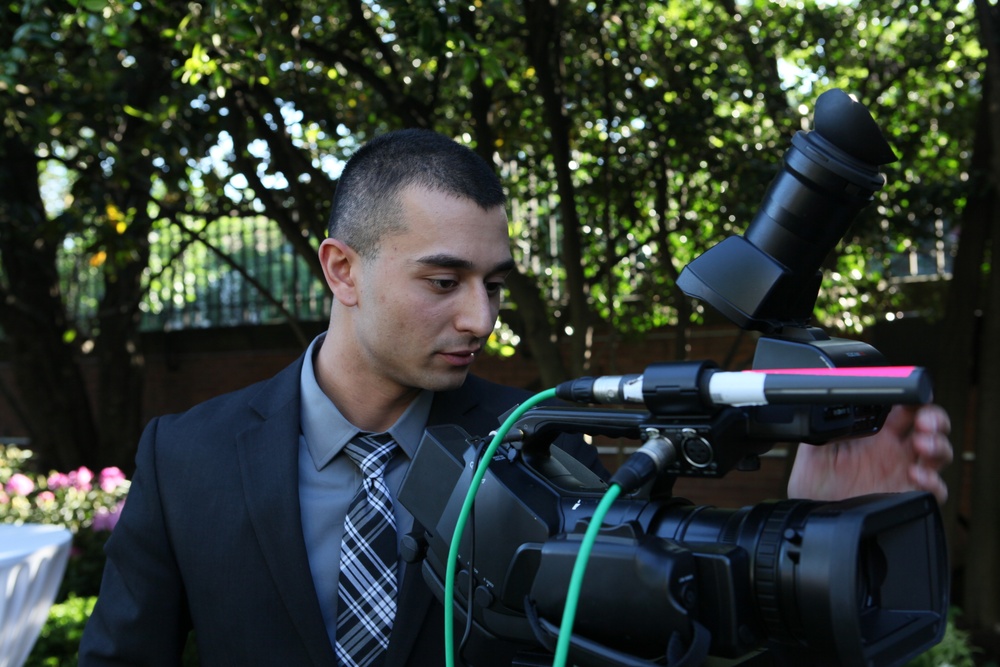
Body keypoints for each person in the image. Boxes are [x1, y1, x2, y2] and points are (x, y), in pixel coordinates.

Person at [78, 128, 953, 667]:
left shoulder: (541, 441)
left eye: (494, 282)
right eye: (443, 279)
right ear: (341, 268)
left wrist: (810, 536)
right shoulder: (184, 456)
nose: (480, 316)